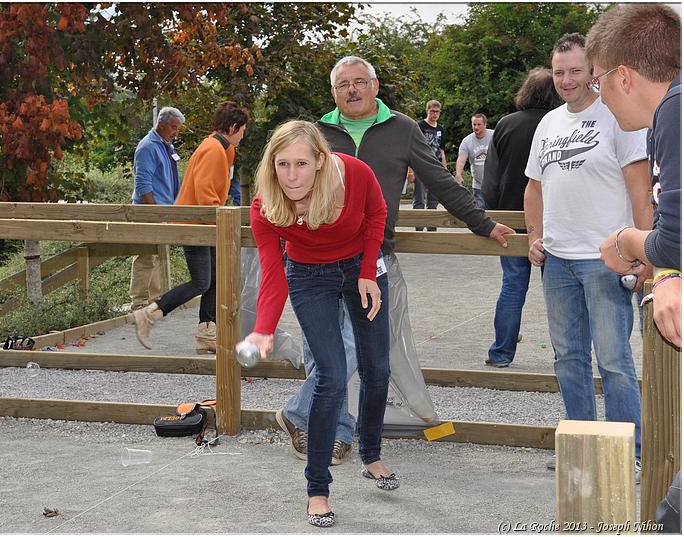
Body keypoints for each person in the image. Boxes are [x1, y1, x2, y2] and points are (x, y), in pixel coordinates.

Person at [276, 55, 515, 466]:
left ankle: (299, 412)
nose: (352, 90)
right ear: (333, 92)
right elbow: (285, 186)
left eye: (359, 82)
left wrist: (483, 223)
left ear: (375, 86)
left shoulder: (402, 129)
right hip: (315, 258)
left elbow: (439, 180)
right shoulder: (317, 132)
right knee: (323, 349)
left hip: (372, 258)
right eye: (343, 84)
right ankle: (332, 431)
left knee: (358, 345)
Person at [241, 120, 395, 527]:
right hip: (310, 276)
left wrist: (366, 271)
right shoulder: (266, 205)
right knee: (331, 374)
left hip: (362, 269)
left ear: (321, 162)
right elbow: (273, 272)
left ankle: (372, 455)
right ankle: (317, 490)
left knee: (378, 367)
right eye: (283, 164)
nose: (292, 175)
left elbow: (377, 213)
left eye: (302, 164)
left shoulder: (353, 174)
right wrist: (264, 328)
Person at [523, 33, 652, 474]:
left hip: (606, 259)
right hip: (557, 262)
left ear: (593, 70)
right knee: (568, 359)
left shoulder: (617, 116)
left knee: (614, 359)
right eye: (559, 72)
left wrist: (645, 247)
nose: (566, 79)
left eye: (576, 70)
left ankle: (626, 455)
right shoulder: (548, 124)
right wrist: (534, 235)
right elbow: (533, 188)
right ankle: (580, 451)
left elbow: (639, 186)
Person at [585, 5, 680, 530]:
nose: (599, 95)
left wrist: (627, 239)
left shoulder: (673, 113)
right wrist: (667, 271)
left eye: (598, 81)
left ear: (623, 75)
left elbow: (675, 236)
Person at [127, 101, 249, 354]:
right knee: (201, 282)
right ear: (234, 127)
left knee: (214, 279)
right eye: (243, 130)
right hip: (195, 224)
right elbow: (206, 196)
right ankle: (148, 315)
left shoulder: (224, 149)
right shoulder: (213, 149)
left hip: (207, 224)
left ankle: (206, 333)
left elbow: (220, 189)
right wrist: (224, 222)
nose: (243, 135)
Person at [482, 68, 562, 367]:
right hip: (553, 218)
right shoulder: (560, 122)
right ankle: (563, 355)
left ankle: (501, 353)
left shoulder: (505, 124)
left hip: (511, 219)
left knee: (513, 286)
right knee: (558, 292)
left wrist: (493, 211)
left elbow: (489, 178)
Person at [128, 107, 185, 311]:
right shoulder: (148, 147)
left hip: (164, 210)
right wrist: (154, 212)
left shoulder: (166, 146)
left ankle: (154, 300)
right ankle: (139, 302)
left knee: (158, 255)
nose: (175, 132)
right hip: (149, 211)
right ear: (161, 125)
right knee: (145, 256)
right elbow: (143, 184)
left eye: (177, 128)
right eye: (173, 127)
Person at [412, 100, 446, 213]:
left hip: (435, 166)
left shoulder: (440, 129)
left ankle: (432, 227)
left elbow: (441, 150)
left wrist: (444, 168)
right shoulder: (419, 126)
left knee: (433, 200)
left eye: (437, 112)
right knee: (419, 199)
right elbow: (411, 147)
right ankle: (419, 228)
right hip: (420, 165)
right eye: (432, 111)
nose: (435, 114)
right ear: (427, 111)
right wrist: (410, 170)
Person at [455, 113, 494, 209]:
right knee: (480, 212)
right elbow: (461, 159)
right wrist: (459, 174)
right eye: (474, 124)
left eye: (479, 124)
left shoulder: (494, 136)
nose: (476, 127)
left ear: (485, 124)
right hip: (478, 184)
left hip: (494, 184)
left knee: (495, 212)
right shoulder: (467, 141)